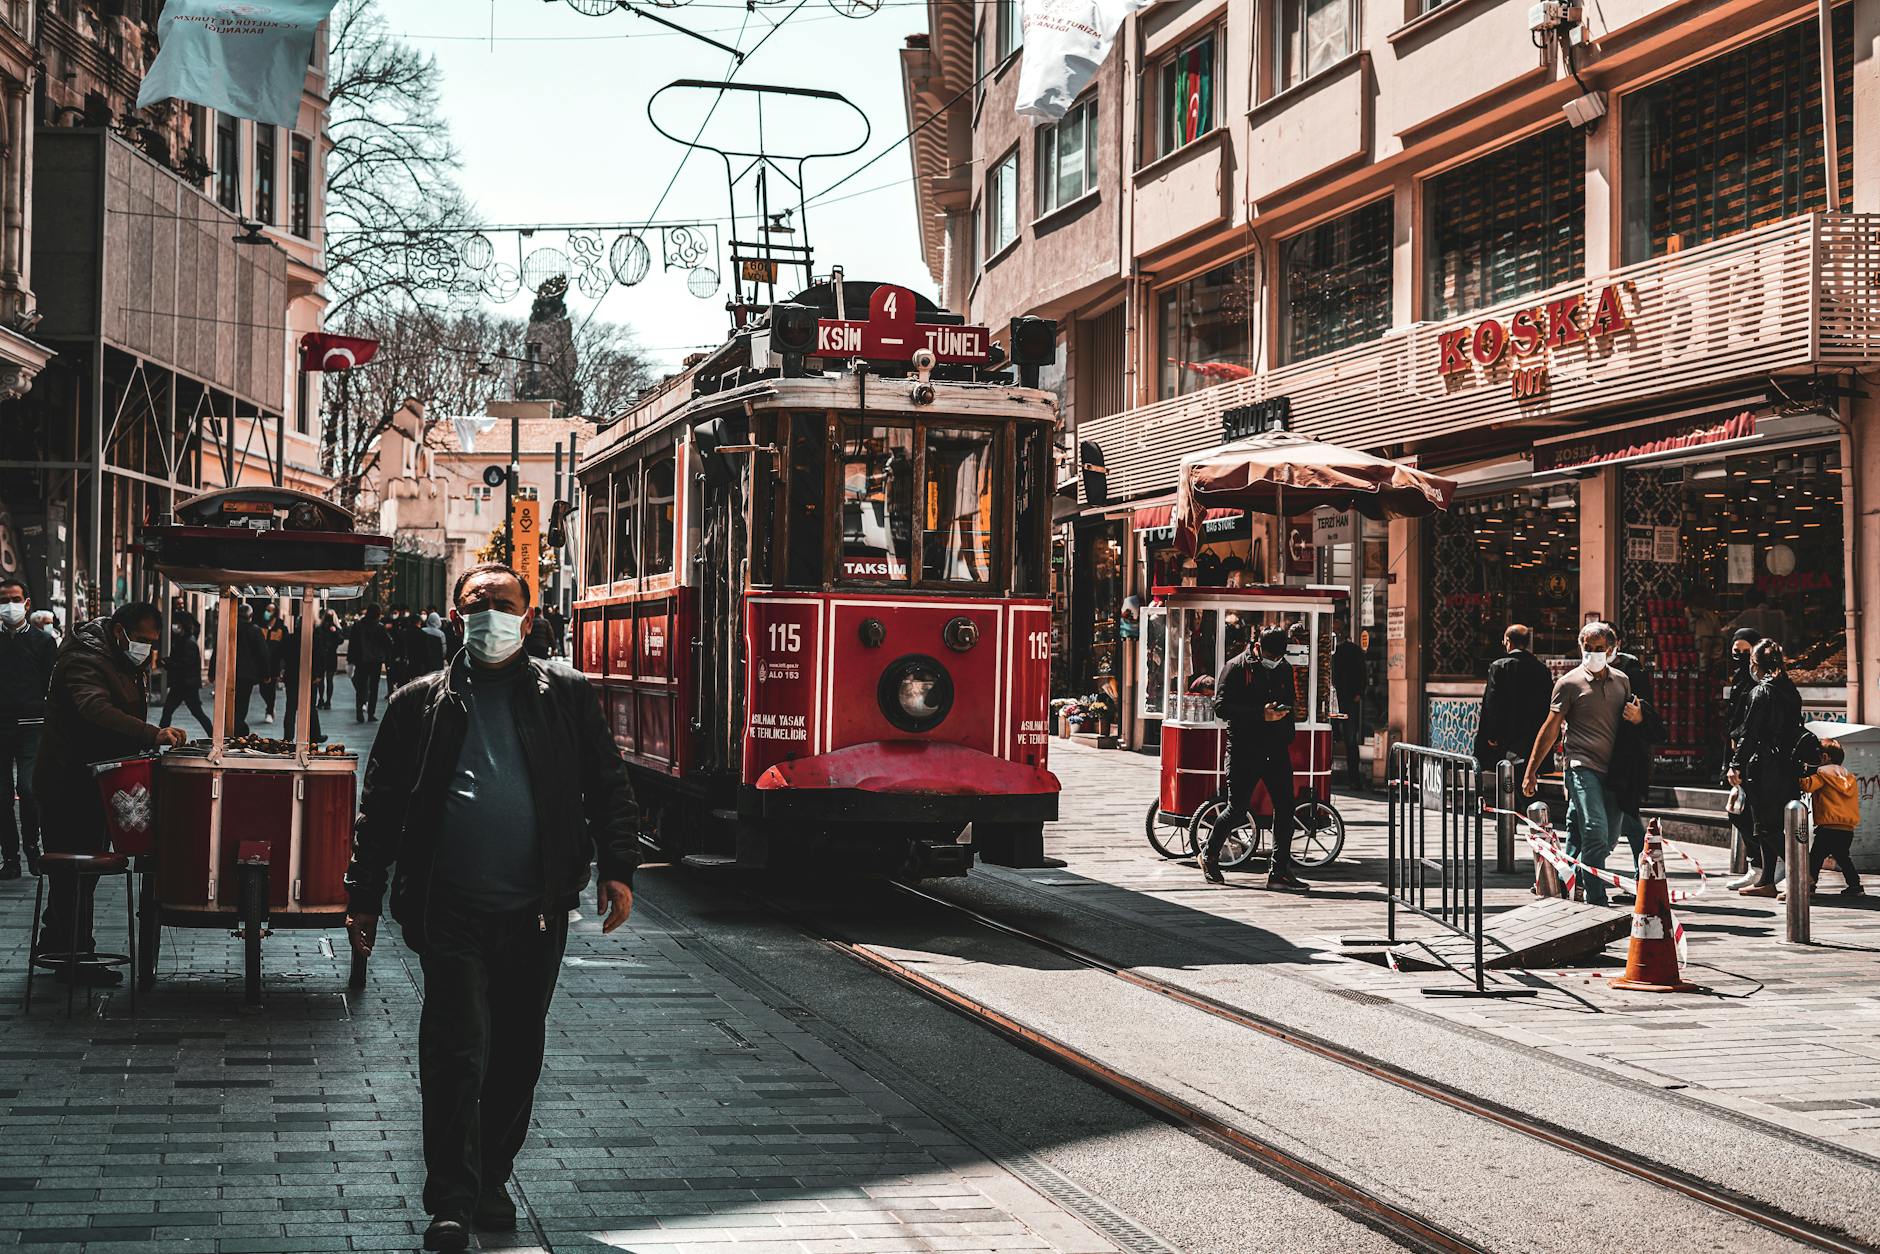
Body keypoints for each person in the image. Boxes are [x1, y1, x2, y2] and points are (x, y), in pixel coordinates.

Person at [343, 562, 638, 1252]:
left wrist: (618, 867)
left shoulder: (565, 695)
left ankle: (492, 1177)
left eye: (504, 605)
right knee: (455, 1050)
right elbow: (380, 807)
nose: (490, 617)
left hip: (535, 912)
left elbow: (606, 783)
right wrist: (362, 893)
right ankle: (450, 1196)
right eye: (477, 606)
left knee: (516, 1049)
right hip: (450, 910)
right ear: (455, 618)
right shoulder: (417, 702)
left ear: (529, 619)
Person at [34, 604, 188, 984]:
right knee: (76, 871)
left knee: (82, 870)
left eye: (151, 643)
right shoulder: (84, 658)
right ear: (120, 632)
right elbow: (94, 707)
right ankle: (75, 957)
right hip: (66, 780)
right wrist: (150, 733)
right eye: (141, 640)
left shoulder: (121, 659)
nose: (146, 648)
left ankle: (56, 942)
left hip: (99, 777)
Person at [1523, 621, 1642, 907]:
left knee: (1604, 836)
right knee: (1595, 829)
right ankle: (1595, 896)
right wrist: (1531, 771)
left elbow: (1632, 721)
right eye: (1587, 648)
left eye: (1600, 649)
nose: (1593, 654)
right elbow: (1550, 728)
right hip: (1580, 765)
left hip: (1614, 771)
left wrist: (1638, 717)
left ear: (1612, 649)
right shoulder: (1568, 684)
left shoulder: (1622, 681)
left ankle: (1568, 878)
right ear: (1580, 647)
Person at [1204, 626, 1307, 891]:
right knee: (1237, 808)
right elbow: (1221, 706)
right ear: (1258, 646)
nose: (1276, 660)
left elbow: (1290, 700)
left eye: (1280, 656)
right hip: (1243, 748)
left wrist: (1284, 721)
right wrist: (1259, 714)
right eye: (1271, 655)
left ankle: (1279, 871)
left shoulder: (1283, 668)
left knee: (1285, 807)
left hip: (1275, 748)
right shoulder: (1236, 667)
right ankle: (1210, 854)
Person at [1728, 639, 1806, 898]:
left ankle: (1800, 876)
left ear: (1755, 664)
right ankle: (1767, 880)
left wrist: (1735, 764)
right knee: (1772, 824)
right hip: (1788, 765)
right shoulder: (1790, 690)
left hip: (1764, 767)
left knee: (1766, 826)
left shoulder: (1761, 692)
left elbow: (1750, 733)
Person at [0, 578, 56, 879]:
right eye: (3, 599)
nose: (9, 605)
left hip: (33, 726)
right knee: (1, 795)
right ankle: (10, 858)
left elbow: (53, 686)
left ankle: (33, 851)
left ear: (26, 603)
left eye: (15, 598)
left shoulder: (42, 642)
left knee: (28, 788)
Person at [1609, 629, 1662, 872]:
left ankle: (1645, 874)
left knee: (1628, 819)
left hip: (1625, 758)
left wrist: (1639, 716)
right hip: (1596, 756)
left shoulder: (1632, 673)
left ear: (1616, 644)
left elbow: (1650, 718)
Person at [1475, 624, 1553, 777]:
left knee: (1507, 776)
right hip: (1533, 732)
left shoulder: (1499, 667)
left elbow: (1492, 702)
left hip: (1507, 732)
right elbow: (1548, 703)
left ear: (1508, 641)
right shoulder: (1541, 669)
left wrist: (1492, 733)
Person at [1722, 628, 1763, 889]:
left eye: (1745, 651)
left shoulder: (1760, 684)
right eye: (1735, 651)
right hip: (1737, 752)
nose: (1739, 655)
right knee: (1738, 811)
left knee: (1746, 812)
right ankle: (1758, 865)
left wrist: (1738, 759)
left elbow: (1750, 725)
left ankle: (1764, 865)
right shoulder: (1739, 678)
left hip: (1751, 756)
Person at [1798, 740, 1863, 898]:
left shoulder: (1822, 774)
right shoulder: (1848, 776)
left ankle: (1810, 883)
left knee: (1815, 857)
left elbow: (1807, 786)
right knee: (1842, 857)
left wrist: (1798, 773)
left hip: (1828, 827)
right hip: (1847, 828)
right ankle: (1855, 885)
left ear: (1824, 757)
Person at [158, 621, 214, 738]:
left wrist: (168, 663)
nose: (175, 627)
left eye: (178, 624)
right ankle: (158, 739)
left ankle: (214, 736)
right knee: (169, 711)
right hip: (182, 683)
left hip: (186, 684)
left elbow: (185, 664)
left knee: (195, 712)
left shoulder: (188, 642)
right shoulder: (183, 640)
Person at [1330, 615, 1367, 792]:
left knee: (1350, 739)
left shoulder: (1353, 651)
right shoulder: (1328, 651)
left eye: (1337, 629)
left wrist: (1358, 693)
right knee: (1329, 738)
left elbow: (1362, 674)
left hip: (1348, 700)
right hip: (1331, 700)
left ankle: (1354, 778)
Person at [348, 605, 394, 722]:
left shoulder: (358, 626)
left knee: (361, 686)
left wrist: (351, 659)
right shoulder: (380, 627)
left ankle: (359, 710)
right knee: (374, 688)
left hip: (361, 660)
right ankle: (371, 713)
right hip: (376, 661)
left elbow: (352, 644)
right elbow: (389, 643)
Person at [233, 605, 269, 737]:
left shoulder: (230, 628)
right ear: (250, 616)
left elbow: (217, 648)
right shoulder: (255, 630)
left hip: (230, 672)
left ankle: (236, 727)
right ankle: (238, 728)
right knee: (242, 703)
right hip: (247, 674)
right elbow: (263, 653)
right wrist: (266, 674)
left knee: (232, 702)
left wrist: (213, 671)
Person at [258, 604, 285, 725]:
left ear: (275, 612)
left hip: (275, 663)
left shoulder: (281, 628)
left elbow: (285, 648)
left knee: (271, 688)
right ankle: (270, 706)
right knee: (262, 689)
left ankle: (269, 711)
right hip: (262, 663)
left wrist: (282, 667)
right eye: (266, 610)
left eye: (269, 610)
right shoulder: (261, 626)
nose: (266, 612)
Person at [313, 611, 343, 710]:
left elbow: (340, 640)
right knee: (321, 679)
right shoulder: (320, 629)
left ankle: (327, 701)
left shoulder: (335, 629)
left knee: (328, 679)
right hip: (323, 656)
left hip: (329, 656)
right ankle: (322, 699)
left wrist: (335, 632)